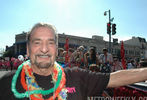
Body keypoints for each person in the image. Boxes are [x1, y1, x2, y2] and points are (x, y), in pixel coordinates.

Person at [0, 23, 147, 100]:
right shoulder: (6, 82)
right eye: (37, 42)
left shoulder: (76, 77)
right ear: (27, 49)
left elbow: (115, 78)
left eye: (50, 43)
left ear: (56, 49)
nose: (44, 49)